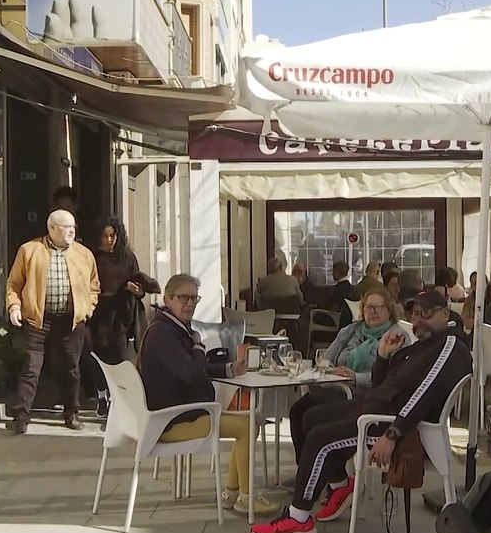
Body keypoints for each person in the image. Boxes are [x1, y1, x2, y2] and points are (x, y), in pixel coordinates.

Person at [251, 290, 473, 533]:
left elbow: (423, 395)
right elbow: (384, 385)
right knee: (310, 416)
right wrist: (383, 356)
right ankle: (339, 486)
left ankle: (298, 517)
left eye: (426, 314)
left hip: (392, 423)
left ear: (445, 313)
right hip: (374, 407)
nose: (418, 320)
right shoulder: (423, 343)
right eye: (413, 314)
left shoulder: (449, 346)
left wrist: (392, 435)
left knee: (320, 438)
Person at [139, 274, 278, 516]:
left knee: (249, 423)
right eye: (183, 297)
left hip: (179, 414)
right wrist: (199, 347)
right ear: (167, 299)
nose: (190, 303)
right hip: (172, 421)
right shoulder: (163, 333)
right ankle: (246, 497)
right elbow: (191, 372)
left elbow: (191, 369)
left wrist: (228, 369)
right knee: (247, 425)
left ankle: (233, 492)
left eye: (194, 298)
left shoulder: (172, 327)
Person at [6, 209, 100, 434]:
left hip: (71, 321)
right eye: (66, 226)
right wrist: (14, 306)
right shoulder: (29, 250)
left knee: (70, 368)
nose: (71, 231)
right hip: (38, 319)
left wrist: (87, 309)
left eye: (73, 227)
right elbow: (14, 283)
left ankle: (71, 412)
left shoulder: (84, 254)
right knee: (31, 367)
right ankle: (21, 416)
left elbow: (94, 285)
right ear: (51, 228)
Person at [288, 288, 406, 463]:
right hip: (337, 385)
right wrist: (330, 369)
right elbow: (325, 358)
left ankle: (328, 472)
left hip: (364, 394)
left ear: (389, 310)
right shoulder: (352, 330)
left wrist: (356, 377)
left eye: (377, 307)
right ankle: (305, 467)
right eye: (367, 307)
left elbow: (392, 377)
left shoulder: (396, 336)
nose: (371, 312)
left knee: (312, 416)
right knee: (297, 410)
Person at [83, 216, 147, 415]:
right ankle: (101, 396)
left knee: (118, 356)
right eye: (106, 236)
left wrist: (135, 289)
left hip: (120, 313)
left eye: (113, 236)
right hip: (97, 311)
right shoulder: (91, 257)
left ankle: (116, 398)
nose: (110, 240)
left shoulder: (127, 258)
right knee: (96, 355)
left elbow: (140, 285)